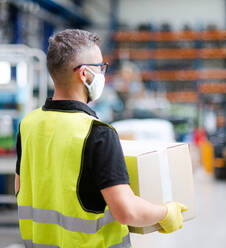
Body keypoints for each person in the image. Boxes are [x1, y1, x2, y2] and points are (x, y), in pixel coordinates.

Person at [15, 29, 186, 248]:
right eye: (100, 67)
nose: (103, 74)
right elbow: (126, 211)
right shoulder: (97, 134)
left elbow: (21, 189)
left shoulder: (28, 124)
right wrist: (165, 212)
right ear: (85, 74)